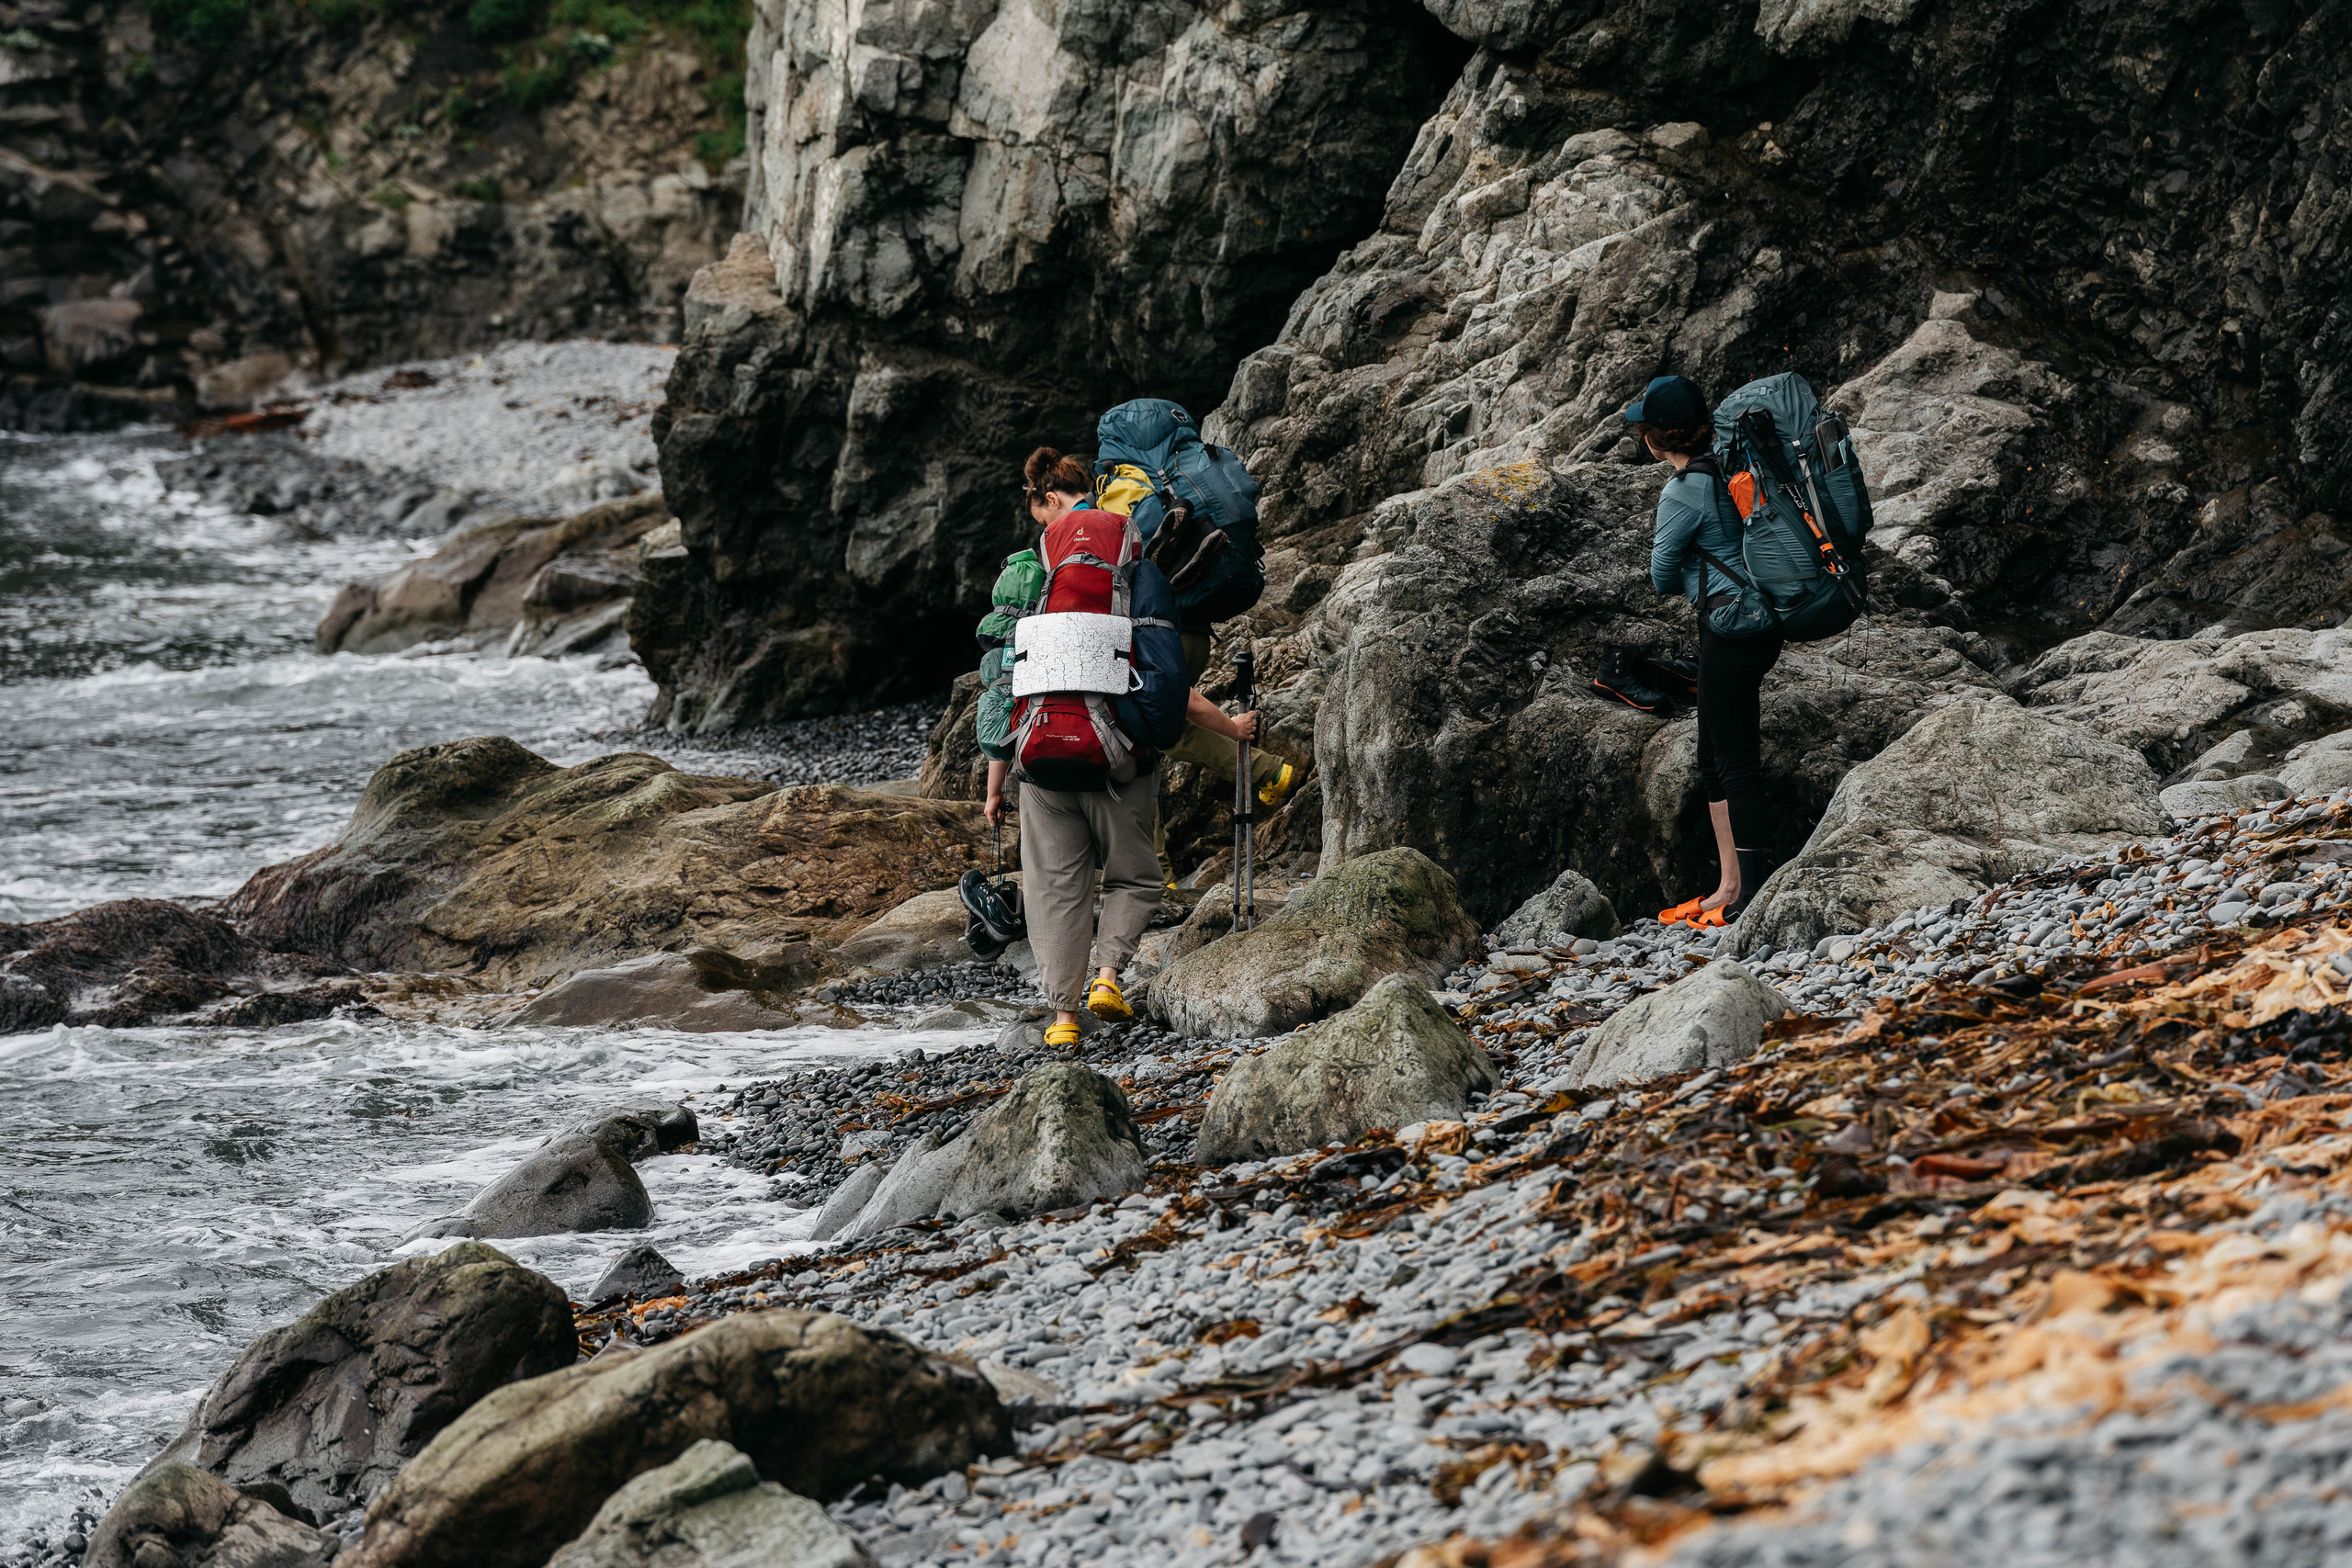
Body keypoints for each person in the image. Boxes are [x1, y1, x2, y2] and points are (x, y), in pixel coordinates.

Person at [977, 448, 1260, 1047]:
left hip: (1039, 761)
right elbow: (1167, 683)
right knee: (1133, 878)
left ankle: (1062, 1020)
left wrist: (996, 780)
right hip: (1116, 758)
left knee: (1053, 889)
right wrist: (1222, 731)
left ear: (1046, 505)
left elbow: (1004, 680)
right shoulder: (1140, 574)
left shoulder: (1030, 574)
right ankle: (1108, 977)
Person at [1629, 374, 1781, 930]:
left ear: (1654, 440)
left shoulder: (1683, 490)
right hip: (1753, 624)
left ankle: (1754, 895)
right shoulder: (1730, 465)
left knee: (1735, 765)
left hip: (1732, 630)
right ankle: (1729, 884)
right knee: (1713, 761)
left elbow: (1661, 575)